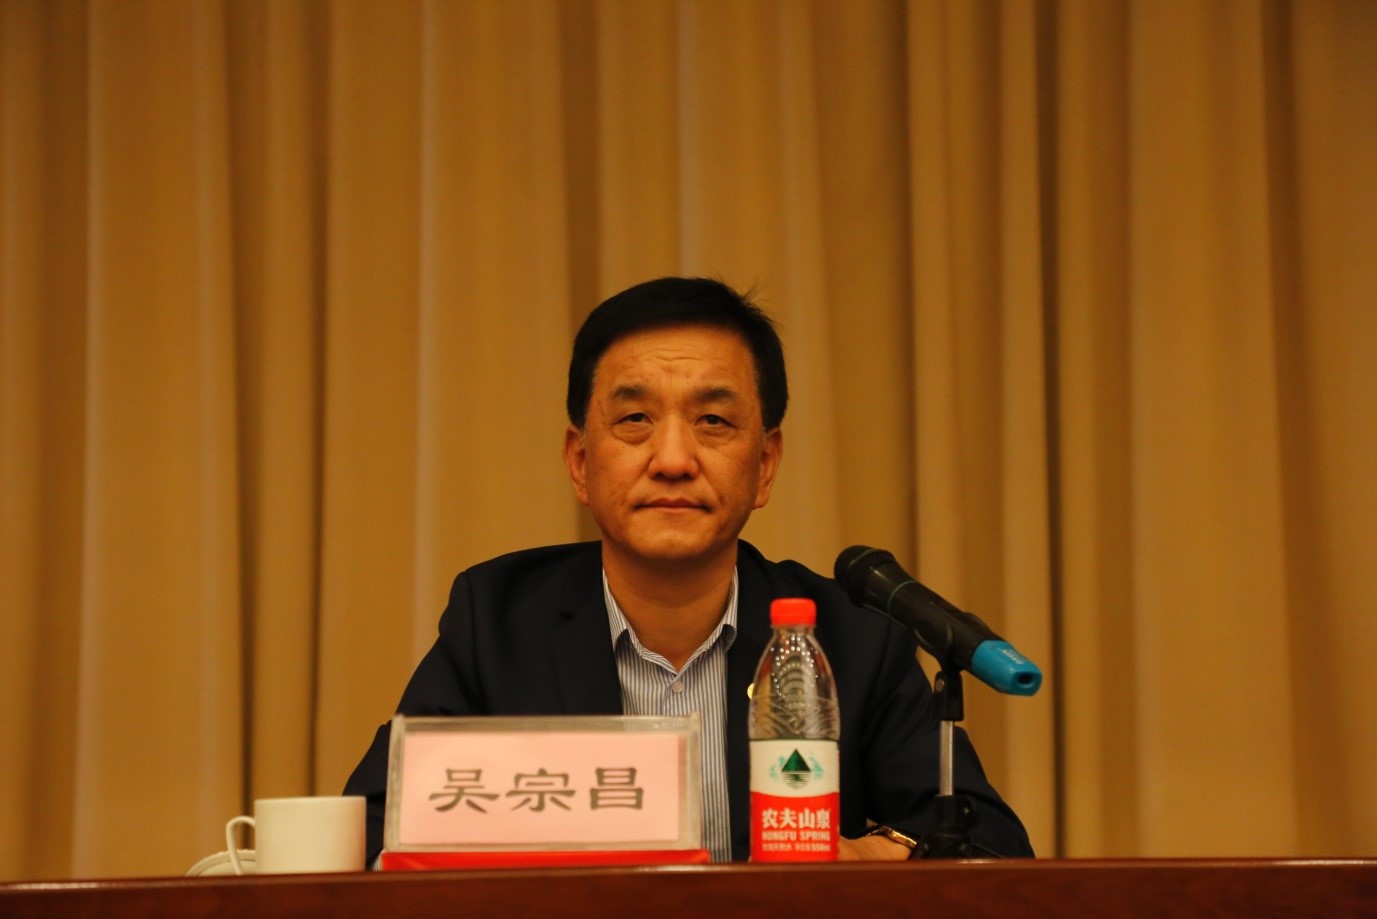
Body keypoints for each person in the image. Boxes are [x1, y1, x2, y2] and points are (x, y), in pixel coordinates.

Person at [343, 276, 1033, 863]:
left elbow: (992, 847)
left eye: (712, 422)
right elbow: (370, 832)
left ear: (765, 465)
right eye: (635, 419)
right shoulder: (497, 620)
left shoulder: (849, 637)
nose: (673, 459)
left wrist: (866, 856)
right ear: (580, 462)